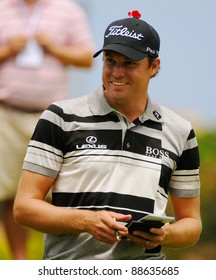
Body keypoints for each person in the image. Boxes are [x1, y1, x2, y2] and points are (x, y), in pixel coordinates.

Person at [13, 10, 202, 260]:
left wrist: (166, 235)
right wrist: (87, 221)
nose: (117, 73)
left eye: (129, 63)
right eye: (110, 61)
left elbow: (191, 223)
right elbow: (24, 208)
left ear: (154, 66)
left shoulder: (180, 131)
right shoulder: (60, 117)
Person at [0, 0, 95, 260]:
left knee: (58, 190)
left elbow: (87, 58)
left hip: (52, 116)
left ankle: (58, 258)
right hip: (7, 113)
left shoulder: (69, 10)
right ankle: (20, 263)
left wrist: (54, 48)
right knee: (10, 192)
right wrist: (8, 49)